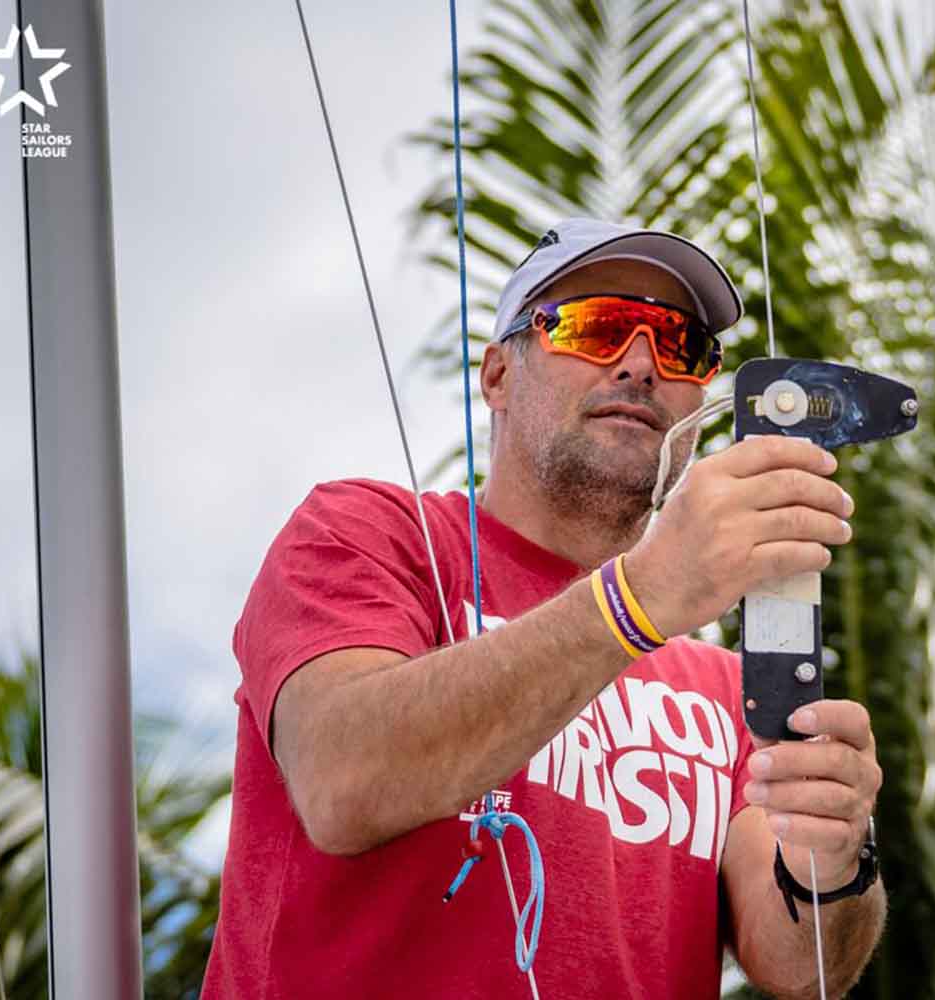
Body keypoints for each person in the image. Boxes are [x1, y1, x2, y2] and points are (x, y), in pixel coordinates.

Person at [201, 218, 887, 999]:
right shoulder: (367, 534)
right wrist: (638, 597)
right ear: (497, 374)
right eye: (595, 328)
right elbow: (341, 779)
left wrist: (836, 856)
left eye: (679, 346)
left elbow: (803, 973)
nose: (639, 365)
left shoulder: (732, 687)